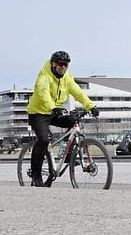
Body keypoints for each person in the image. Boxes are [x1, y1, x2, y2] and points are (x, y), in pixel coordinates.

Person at [25, 50, 99, 187]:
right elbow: (43, 93)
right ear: (53, 64)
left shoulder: (67, 78)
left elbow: (78, 93)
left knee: (73, 120)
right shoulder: (44, 76)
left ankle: (69, 156)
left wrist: (91, 106)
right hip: (38, 113)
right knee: (43, 140)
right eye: (61, 64)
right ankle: (36, 174)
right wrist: (53, 107)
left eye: (66, 65)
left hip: (54, 111)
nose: (63, 67)